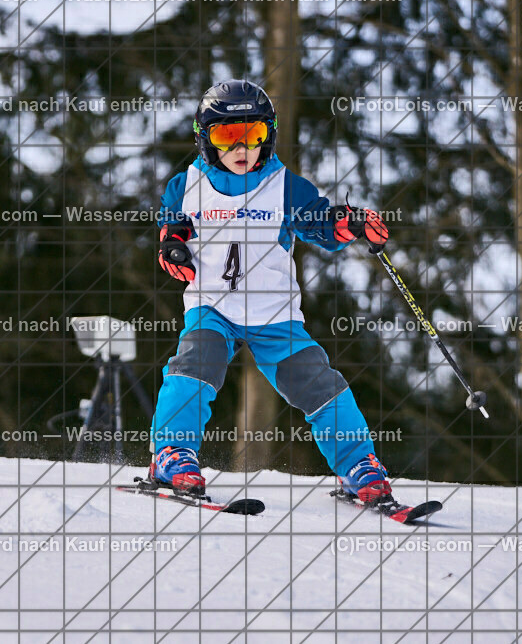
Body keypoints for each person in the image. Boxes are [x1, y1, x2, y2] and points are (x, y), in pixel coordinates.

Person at [151, 79, 393, 505]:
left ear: (269, 136)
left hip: (274, 314)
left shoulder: (284, 185)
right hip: (212, 305)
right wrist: (172, 249)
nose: (243, 148)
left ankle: (360, 465)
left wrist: (349, 222)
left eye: (255, 136)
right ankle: (173, 452)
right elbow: (174, 230)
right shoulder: (185, 185)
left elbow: (320, 221)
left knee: (319, 384)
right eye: (229, 136)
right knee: (195, 364)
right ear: (206, 140)